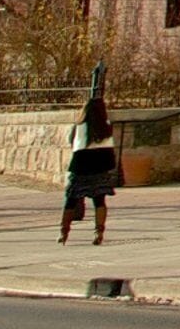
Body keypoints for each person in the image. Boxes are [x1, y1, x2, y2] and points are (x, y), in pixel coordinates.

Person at [57, 95, 119, 246]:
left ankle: (64, 232)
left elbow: (72, 143)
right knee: (99, 201)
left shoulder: (79, 127)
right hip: (100, 166)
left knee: (71, 200)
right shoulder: (106, 127)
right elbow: (110, 148)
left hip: (81, 166)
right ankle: (99, 231)